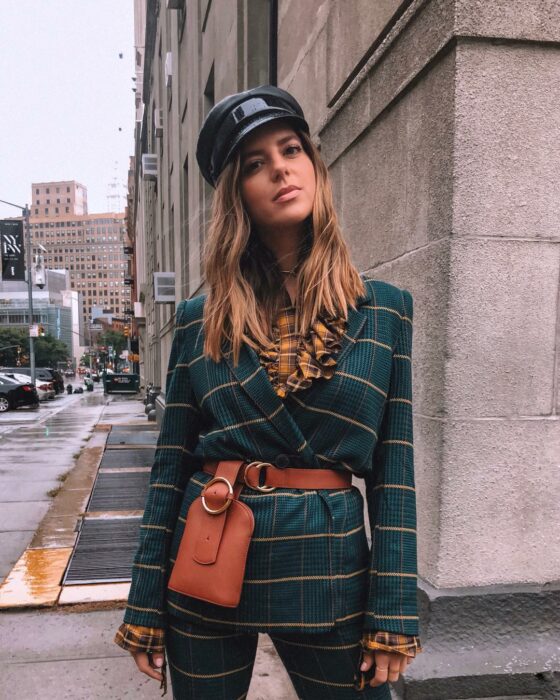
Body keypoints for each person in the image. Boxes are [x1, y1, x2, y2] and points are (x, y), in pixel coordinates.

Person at [114, 85, 422, 698]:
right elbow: (170, 468)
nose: (280, 168)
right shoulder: (202, 319)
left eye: (290, 150)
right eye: (255, 164)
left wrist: (393, 612)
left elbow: (396, 474)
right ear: (237, 196)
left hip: (329, 570)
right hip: (208, 553)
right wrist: (144, 603)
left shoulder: (384, 312)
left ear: (313, 165)